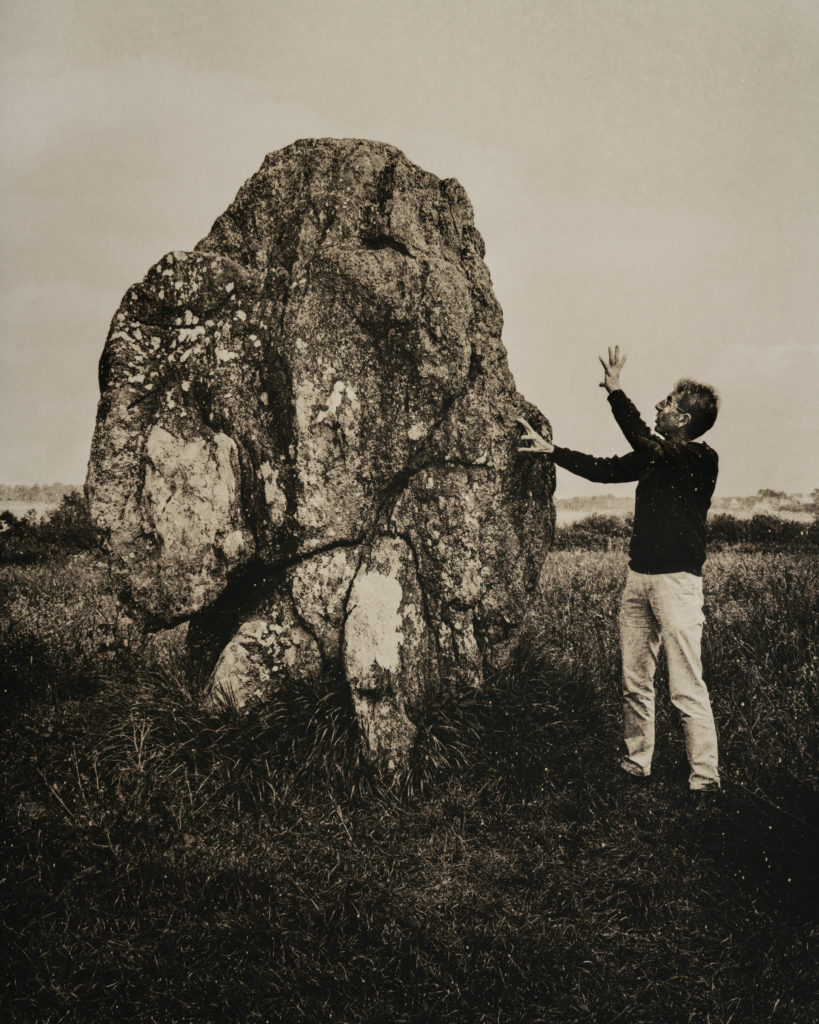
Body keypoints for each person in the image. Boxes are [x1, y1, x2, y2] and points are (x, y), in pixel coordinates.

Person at [518, 347, 721, 793]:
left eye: (667, 403)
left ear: (683, 420)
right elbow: (604, 471)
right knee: (635, 679)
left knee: (685, 685)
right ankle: (636, 765)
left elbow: (637, 438)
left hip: (676, 584)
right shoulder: (656, 456)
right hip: (639, 579)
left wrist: (615, 391)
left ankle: (705, 780)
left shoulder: (698, 459)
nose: (658, 407)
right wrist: (553, 452)